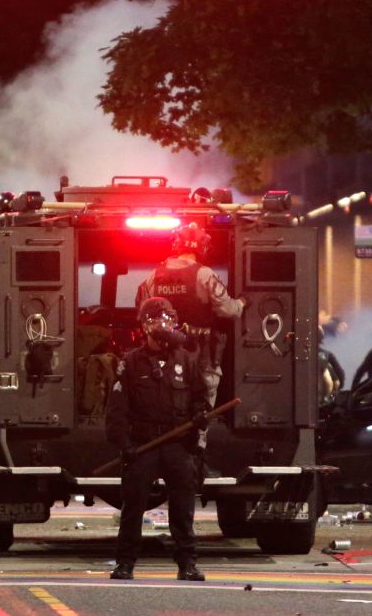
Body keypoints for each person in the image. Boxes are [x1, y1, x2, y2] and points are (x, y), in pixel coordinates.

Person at [106, 298, 210, 583]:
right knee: (133, 506)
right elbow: (116, 411)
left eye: (167, 320)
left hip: (178, 443)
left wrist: (201, 417)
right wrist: (125, 445)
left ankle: (187, 564)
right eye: (155, 320)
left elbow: (201, 398)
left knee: (182, 507)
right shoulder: (130, 362)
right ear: (144, 325)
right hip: (143, 444)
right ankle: (125, 564)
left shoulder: (187, 360)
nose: (162, 326)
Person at [135, 222, 245, 447]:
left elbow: (141, 308)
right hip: (200, 354)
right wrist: (243, 302)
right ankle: (196, 457)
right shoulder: (205, 274)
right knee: (201, 408)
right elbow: (228, 309)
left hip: (162, 356)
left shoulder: (154, 276)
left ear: (177, 246)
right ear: (203, 248)